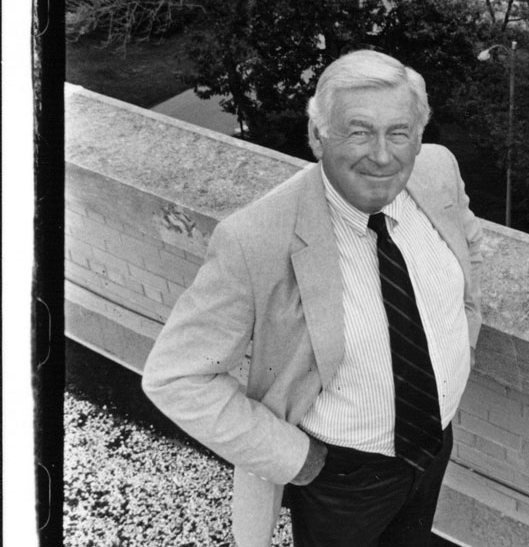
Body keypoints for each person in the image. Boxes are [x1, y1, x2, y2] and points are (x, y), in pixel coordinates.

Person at [142, 49, 483, 547]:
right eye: (359, 131)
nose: (383, 155)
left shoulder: (437, 170)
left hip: (433, 443)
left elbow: (469, 246)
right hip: (340, 473)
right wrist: (299, 461)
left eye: (399, 132)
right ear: (317, 136)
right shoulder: (256, 239)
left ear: (419, 135)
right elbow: (176, 377)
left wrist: (464, 342)